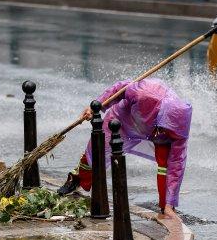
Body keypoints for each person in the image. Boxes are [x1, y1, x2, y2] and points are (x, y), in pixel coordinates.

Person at [57, 78, 192, 219]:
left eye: (172, 132)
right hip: (123, 120)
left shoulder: (179, 132)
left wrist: (170, 205)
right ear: (161, 116)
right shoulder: (145, 93)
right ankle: (77, 178)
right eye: (166, 128)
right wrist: (96, 107)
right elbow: (119, 88)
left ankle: (166, 205)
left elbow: (176, 166)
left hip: (155, 133)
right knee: (96, 152)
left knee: (166, 163)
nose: (169, 133)